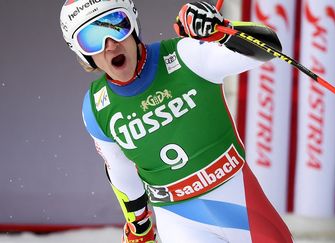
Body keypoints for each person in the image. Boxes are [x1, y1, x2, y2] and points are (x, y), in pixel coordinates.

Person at [60, 0, 293, 242]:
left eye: (117, 26)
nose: (110, 45)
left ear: (133, 24)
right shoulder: (96, 108)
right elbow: (120, 168)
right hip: (180, 221)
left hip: (240, 201)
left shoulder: (185, 55)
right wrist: (139, 224)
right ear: (81, 53)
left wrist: (220, 30)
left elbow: (269, 47)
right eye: (92, 37)